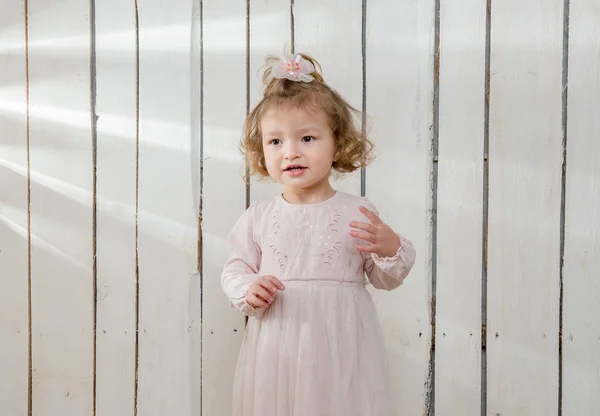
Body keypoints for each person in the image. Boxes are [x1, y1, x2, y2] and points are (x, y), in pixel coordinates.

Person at [221, 52, 416, 416]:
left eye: (307, 138)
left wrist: (391, 247)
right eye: (275, 142)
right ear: (261, 150)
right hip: (278, 347)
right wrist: (250, 288)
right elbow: (234, 269)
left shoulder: (357, 210)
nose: (290, 151)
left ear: (337, 143)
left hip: (343, 346)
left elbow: (382, 277)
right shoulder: (260, 217)